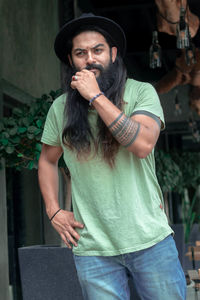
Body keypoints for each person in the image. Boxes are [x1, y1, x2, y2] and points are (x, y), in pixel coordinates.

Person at [38, 13, 186, 300]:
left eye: (98, 50)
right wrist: (53, 210)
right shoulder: (60, 108)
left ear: (113, 54)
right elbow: (47, 159)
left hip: (150, 241)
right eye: (80, 53)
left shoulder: (141, 93)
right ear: (71, 61)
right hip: (94, 249)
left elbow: (142, 144)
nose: (89, 59)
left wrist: (95, 96)